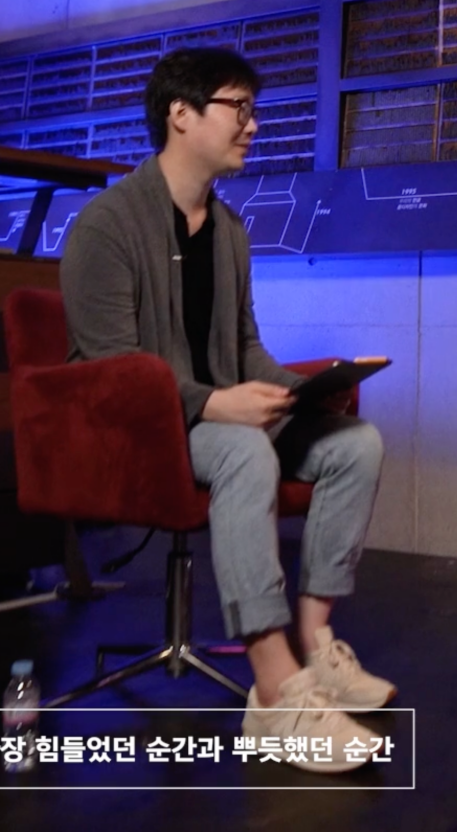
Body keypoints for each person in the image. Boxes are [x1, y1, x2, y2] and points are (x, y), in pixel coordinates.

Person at [60, 47, 392, 773]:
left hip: (218, 416)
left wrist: (304, 389)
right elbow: (112, 371)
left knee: (354, 442)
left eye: (252, 109)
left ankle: (316, 645)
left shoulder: (230, 231)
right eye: (238, 107)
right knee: (243, 451)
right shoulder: (106, 226)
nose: (253, 124)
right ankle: (275, 692)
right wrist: (214, 403)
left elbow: (243, 348)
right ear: (180, 114)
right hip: (143, 431)